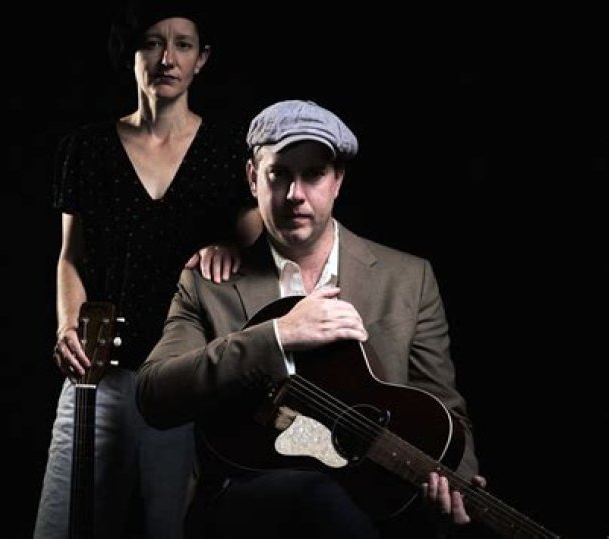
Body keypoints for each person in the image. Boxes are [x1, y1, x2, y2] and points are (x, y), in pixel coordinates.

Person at [136, 99, 488, 539]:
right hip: (247, 501)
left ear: (337, 180)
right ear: (252, 178)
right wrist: (279, 335)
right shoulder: (208, 282)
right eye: (279, 174)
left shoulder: (408, 278)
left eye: (314, 174)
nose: (294, 194)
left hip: (378, 498)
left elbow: (443, 406)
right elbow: (154, 394)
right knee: (315, 495)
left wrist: (459, 482)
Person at [34, 2, 261, 538]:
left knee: (171, 527)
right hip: (100, 375)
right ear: (131, 53)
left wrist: (229, 246)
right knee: (62, 526)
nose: (167, 59)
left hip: (187, 379)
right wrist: (66, 326)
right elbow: (71, 256)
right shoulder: (87, 148)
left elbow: (261, 257)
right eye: (152, 42)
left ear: (202, 59)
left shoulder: (231, 150)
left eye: (183, 44)